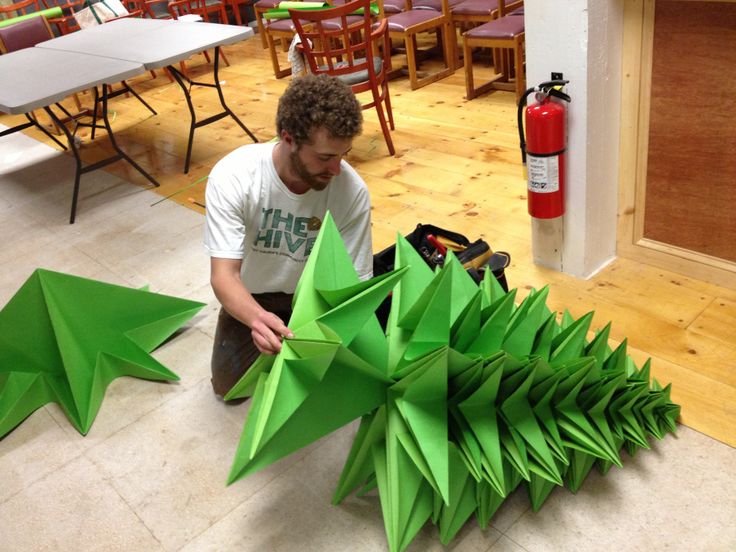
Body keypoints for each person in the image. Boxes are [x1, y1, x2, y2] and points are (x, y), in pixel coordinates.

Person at [204, 74, 373, 398]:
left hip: (315, 297)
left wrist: (328, 328)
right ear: (288, 138)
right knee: (229, 390)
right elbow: (223, 276)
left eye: (343, 155)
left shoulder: (351, 192)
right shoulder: (235, 176)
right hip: (255, 295)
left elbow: (353, 284)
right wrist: (256, 319)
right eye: (325, 157)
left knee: (345, 385)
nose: (336, 169)